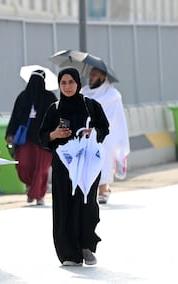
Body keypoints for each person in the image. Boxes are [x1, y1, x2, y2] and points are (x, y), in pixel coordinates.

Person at [39, 67, 109, 266]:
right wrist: (54, 135)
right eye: (63, 83)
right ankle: (69, 253)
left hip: (87, 164)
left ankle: (86, 245)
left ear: (78, 83)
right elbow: (42, 136)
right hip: (63, 166)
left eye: (71, 82)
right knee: (65, 206)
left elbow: (105, 128)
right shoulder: (54, 108)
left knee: (87, 205)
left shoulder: (91, 106)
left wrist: (92, 132)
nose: (67, 86)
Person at [5, 69, 57, 205]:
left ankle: (39, 195)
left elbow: (56, 117)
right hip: (25, 139)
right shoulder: (23, 97)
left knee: (42, 168)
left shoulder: (50, 98)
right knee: (23, 165)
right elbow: (15, 116)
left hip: (44, 139)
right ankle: (30, 187)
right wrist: (10, 133)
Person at [81, 67, 130, 204]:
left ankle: (103, 189)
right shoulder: (84, 92)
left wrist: (97, 127)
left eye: (94, 75)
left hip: (106, 135)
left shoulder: (113, 95)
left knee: (104, 158)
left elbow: (114, 118)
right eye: (90, 74)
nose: (91, 77)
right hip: (86, 134)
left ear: (102, 77)